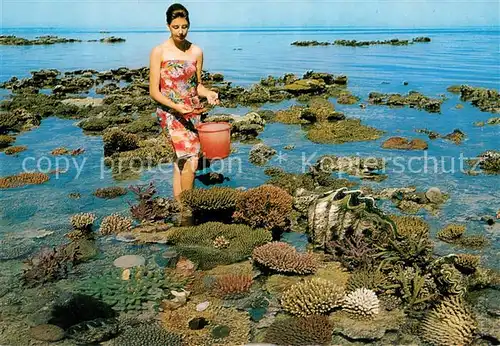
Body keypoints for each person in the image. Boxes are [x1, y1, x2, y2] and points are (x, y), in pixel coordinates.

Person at [149, 3, 219, 203]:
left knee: (181, 160)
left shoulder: (196, 51)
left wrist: (209, 94)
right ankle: (189, 208)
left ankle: (180, 209)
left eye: (184, 27)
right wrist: (176, 106)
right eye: (176, 27)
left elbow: (197, 86)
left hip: (192, 111)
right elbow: (154, 91)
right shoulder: (159, 52)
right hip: (170, 112)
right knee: (191, 158)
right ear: (168, 26)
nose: (181, 32)